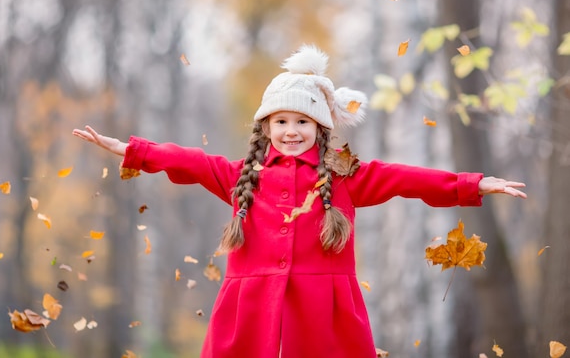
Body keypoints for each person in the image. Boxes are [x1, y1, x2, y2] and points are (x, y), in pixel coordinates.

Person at [73, 45, 526, 358]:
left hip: (324, 315)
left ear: (321, 129)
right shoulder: (240, 177)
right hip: (249, 312)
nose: (291, 131)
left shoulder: (346, 178)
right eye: (281, 121)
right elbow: (190, 161)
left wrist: (473, 184)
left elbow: (406, 180)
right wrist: (133, 151)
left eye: (302, 122)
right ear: (266, 128)